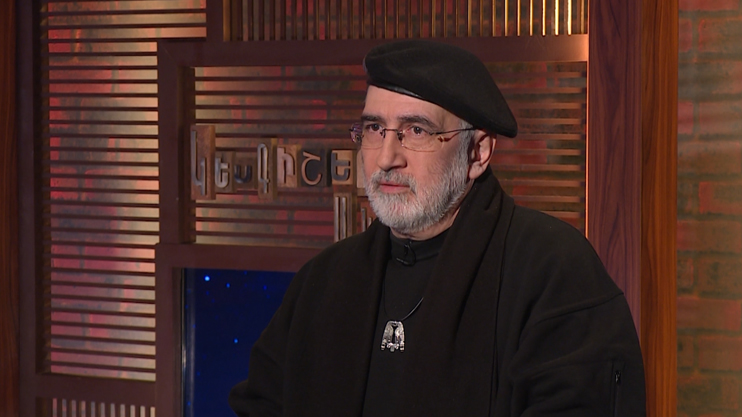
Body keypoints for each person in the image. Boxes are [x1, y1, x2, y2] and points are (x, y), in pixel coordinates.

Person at [228, 39, 645, 417]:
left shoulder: (554, 272)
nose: (387, 157)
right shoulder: (324, 280)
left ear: (478, 152)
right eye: (375, 129)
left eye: (416, 130)